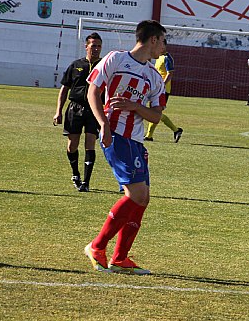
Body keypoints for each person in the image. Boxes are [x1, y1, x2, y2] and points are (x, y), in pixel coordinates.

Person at [84, 20, 168, 275]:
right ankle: (97, 246)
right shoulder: (116, 59)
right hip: (116, 135)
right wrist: (103, 125)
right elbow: (93, 92)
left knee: (143, 199)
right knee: (136, 195)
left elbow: (156, 115)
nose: (164, 47)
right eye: (163, 41)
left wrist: (135, 107)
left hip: (136, 141)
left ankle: (120, 258)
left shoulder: (155, 76)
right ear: (152, 40)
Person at [53, 32, 103, 192]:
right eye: (93, 45)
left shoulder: (104, 66)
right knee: (72, 144)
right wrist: (58, 111)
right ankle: (75, 174)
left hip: (93, 109)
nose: (96, 49)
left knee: (90, 143)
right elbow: (64, 89)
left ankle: (86, 183)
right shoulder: (75, 65)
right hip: (74, 108)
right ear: (86, 46)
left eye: (99, 46)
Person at [144, 51, 183, 143]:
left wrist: (163, 85)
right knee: (153, 111)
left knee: (155, 112)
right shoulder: (158, 57)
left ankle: (175, 130)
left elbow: (170, 73)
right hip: (157, 89)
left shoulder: (167, 58)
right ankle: (149, 136)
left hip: (163, 90)